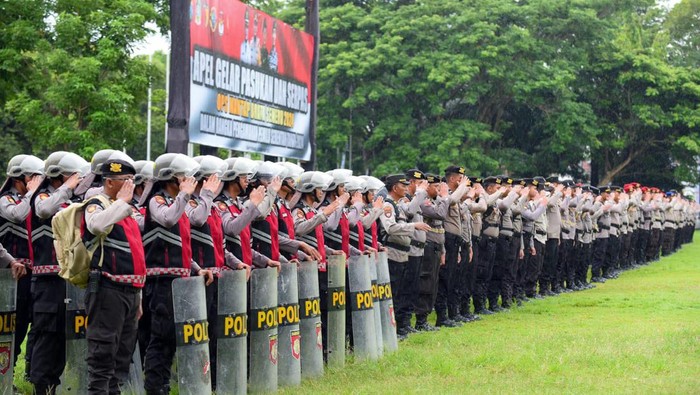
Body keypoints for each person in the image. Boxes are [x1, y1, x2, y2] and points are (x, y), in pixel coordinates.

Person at [139, 153, 213, 394]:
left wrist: (196, 268)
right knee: (160, 338)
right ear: (172, 177)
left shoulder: (177, 203)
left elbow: (180, 246)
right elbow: (167, 220)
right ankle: (155, 388)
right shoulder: (157, 201)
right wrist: (184, 194)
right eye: (185, 176)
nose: (190, 180)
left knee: (171, 338)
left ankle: (162, 385)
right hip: (160, 282)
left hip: (178, 281)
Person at [82, 158, 146, 394]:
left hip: (130, 293)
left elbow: (135, 254)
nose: (131, 185)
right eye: (125, 181)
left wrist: (138, 295)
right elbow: (96, 226)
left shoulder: (126, 207)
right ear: (109, 182)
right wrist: (121, 203)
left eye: (131, 180)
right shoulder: (96, 204)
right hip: (108, 289)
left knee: (122, 355)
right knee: (103, 353)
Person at [30, 151, 89, 394]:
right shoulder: (42, 197)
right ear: (60, 176)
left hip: (68, 280)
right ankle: (40, 386)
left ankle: (53, 385)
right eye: (74, 176)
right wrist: (67, 187)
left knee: (65, 336)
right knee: (47, 335)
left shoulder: (70, 200)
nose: (77, 181)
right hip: (47, 281)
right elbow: (45, 210)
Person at [0, 155, 42, 375]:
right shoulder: (6, 199)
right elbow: (16, 215)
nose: (38, 182)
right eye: (33, 177)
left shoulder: (33, 200)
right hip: (7, 274)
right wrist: (33, 193)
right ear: (19, 178)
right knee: (7, 325)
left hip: (28, 274)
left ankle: (11, 373)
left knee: (23, 325)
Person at [377, 174, 431, 340]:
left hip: (402, 253)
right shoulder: (388, 204)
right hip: (392, 254)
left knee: (402, 292)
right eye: (403, 184)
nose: (407, 187)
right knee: (392, 293)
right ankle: (391, 329)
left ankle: (400, 326)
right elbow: (391, 228)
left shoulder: (398, 205)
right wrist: (414, 225)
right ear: (394, 187)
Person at [434, 166, 468, 327]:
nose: (464, 181)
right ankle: (442, 316)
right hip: (446, 239)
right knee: (445, 278)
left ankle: (452, 313)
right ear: (454, 179)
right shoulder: (445, 192)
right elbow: (451, 201)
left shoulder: (456, 195)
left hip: (455, 241)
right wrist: (462, 187)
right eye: (461, 178)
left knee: (453, 279)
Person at [415, 173, 448, 330]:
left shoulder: (435, 201)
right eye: (435, 186)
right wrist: (445, 197)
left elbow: (440, 229)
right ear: (427, 186)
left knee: (433, 284)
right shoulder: (423, 202)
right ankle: (421, 320)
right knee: (426, 283)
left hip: (436, 246)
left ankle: (425, 318)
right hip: (427, 246)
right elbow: (440, 214)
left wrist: (442, 250)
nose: (438, 189)